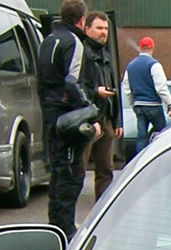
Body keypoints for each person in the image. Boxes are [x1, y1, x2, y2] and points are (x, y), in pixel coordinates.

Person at [36, 0, 90, 238]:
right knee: (71, 172)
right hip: (66, 115)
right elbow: (71, 80)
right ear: (81, 20)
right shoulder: (74, 42)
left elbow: (41, 78)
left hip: (49, 111)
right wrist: (87, 107)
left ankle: (55, 225)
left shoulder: (48, 40)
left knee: (58, 172)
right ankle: (65, 229)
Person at [80, 11, 120, 200]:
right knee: (78, 170)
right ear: (87, 29)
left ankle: (102, 210)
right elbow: (77, 85)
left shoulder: (105, 55)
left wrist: (117, 120)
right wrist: (96, 92)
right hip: (87, 119)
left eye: (105, 28)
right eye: (99, 28)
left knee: (106, 170)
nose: (103, 32)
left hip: (106, 118)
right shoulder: (82, 53)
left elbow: (115, 87)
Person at [122, 36, 171, 157]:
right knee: (163, 134)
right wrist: (170, 104)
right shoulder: (154, 65)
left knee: (141, 136)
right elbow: (160, 87)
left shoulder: (130, 66)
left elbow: (127, 89)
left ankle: (139, 160)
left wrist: (133, 104)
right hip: (153, 105)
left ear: (140, 47)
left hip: (139, 105)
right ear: (152, 48)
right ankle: (162, 157)